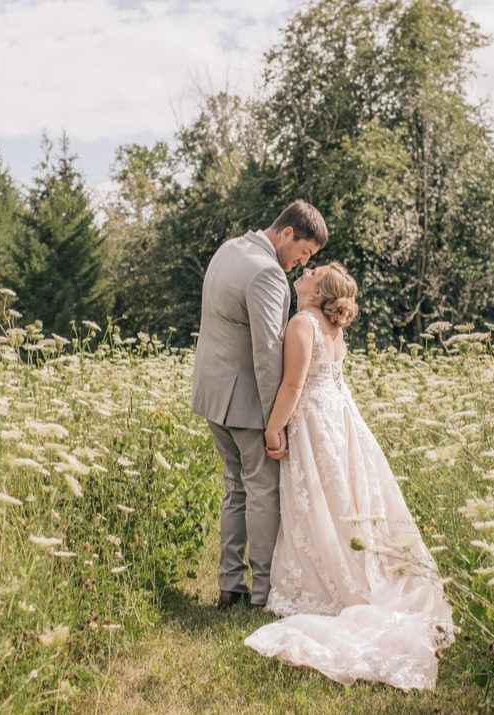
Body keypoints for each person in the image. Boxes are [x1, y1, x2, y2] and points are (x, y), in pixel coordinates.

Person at [244, 262, 454, 691]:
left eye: (313, 270)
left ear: (318, 292)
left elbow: (292, 386)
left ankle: (335, 579)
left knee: (322, 500)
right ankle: (350, 565)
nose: (304, 270)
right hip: (340, 422)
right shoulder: (333, 328)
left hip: (317, 425)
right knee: (345, 501)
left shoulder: (303, 322)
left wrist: (272, 429)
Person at [191, 200, 328, 609]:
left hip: (213, 395)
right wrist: (277, 423)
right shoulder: (268, 273)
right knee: (263, 491)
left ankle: (230, 585)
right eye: (302, 252)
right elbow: (269, 355)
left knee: (235, 487)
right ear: (286, 234)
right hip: (247, 402)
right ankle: (264, 592)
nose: (300, 263)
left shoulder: (229, 249)